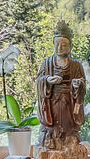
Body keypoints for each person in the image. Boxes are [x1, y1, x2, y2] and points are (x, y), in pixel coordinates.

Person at [36, 20, 87, 149]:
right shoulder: (47, 63)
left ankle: (70, 140)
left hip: (69, 102)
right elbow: (39, 80)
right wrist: (47, 80)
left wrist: (77, 85)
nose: (60, 48)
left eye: (64, 45)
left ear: (70, 46)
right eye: (57, 44)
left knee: (68, 124)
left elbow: (82, 85)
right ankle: (50, 139)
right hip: (52, 101)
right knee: (52, 125)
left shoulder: (76, 65)